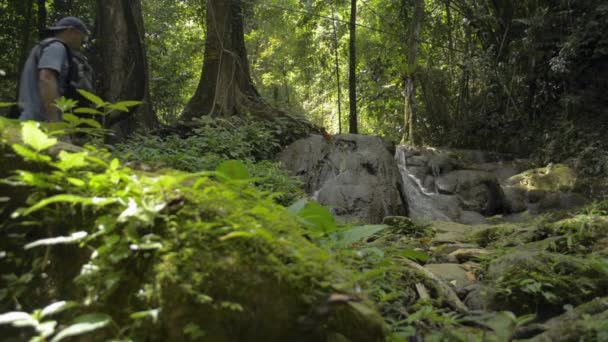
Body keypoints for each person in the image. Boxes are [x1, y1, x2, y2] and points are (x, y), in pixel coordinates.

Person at [18, 16, 90, 122]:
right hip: (40, 122)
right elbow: (47, 78)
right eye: (82, 36)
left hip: (31, 118)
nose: (82, 41)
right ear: (72, 31)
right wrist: (54, 120)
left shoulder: (43, 46)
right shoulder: (57, 47)